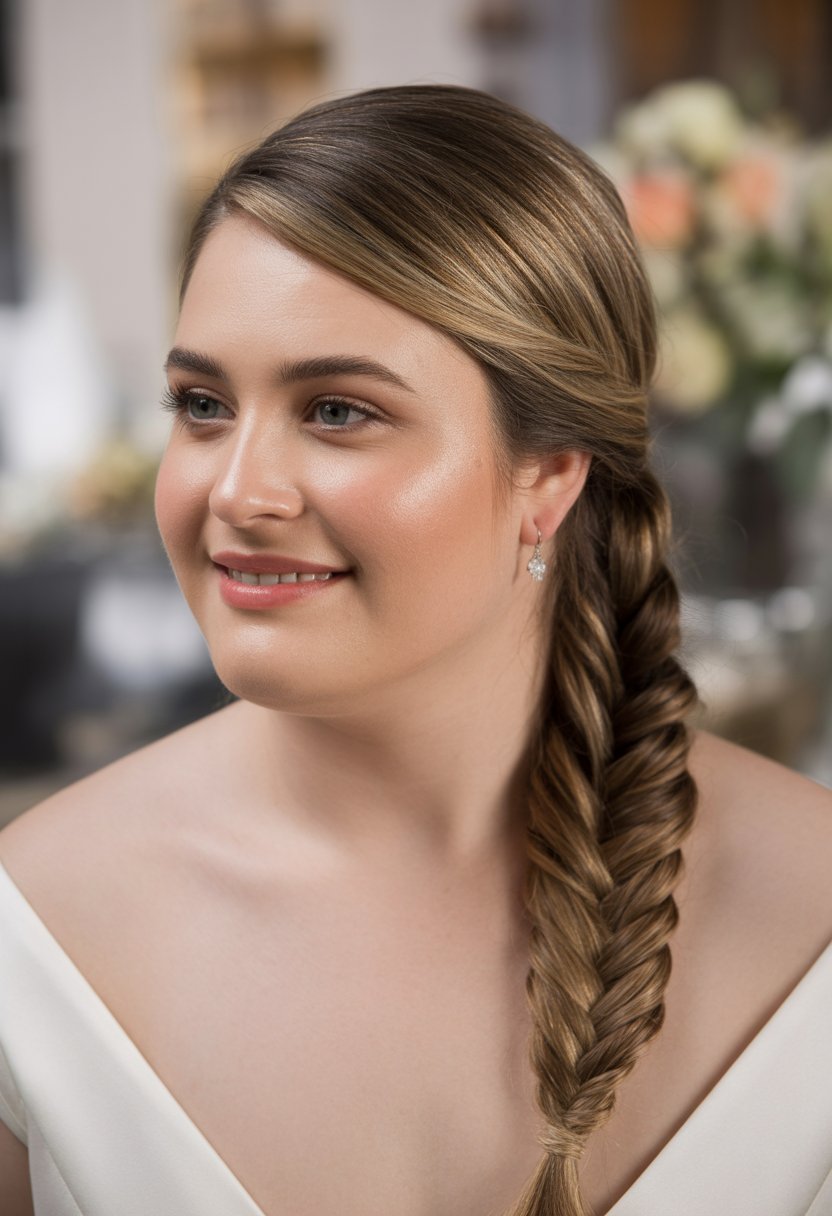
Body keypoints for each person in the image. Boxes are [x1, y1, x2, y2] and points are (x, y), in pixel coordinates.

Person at [0, 83, 830, 1216]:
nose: (235, 490)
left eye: (337, 410)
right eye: (201, 403)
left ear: (550, 472)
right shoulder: (33, 931)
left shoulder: (814, 916)